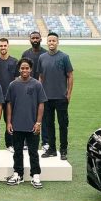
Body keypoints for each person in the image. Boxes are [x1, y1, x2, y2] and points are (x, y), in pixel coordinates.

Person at [5, 58, 47, 189]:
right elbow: (9, 104)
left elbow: (41, 104)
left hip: (32, 125)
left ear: (30, 69)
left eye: (27, 68)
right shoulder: (13, 85)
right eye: (22, 68)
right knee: (17, 151)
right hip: (17, 125)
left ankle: (35, 175)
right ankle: (18, 174)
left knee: (33, 152)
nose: (24, 70)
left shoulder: (37, 85)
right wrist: (9, 122)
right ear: (19, 69)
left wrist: (38, 123)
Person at [38, 32, 74, 160]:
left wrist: (68, 94)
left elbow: (70, 75)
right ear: (47, 42)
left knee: (63, 124)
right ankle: (52, 149)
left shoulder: (64, 57)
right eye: (50, 41)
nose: (51, 43)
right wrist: (40, 94)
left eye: (54, 41)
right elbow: (40, 77)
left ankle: (63, 150)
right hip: (47, 98)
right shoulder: (42, 58)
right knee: (49, 125)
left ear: (57, 42)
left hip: (61, 97)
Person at [21, 31, 48, 149]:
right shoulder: (25, 53)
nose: (35, 40)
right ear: (30, 39)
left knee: (44, 116)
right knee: (29, 114)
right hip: (28, 88)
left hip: (42, 88)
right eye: (33, 38)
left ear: (41, 39)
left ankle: (45, 142)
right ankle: (27, 141)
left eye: (37, 38)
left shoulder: (45, 54)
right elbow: (22, 71)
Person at [0, 37, 18, 152]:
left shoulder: (15, 61)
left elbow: (17, 80)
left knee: (10, 121)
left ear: (8, 46)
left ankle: (10, 144)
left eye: (5, 45)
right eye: (1, 46)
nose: (3, 48)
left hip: (10, 97)